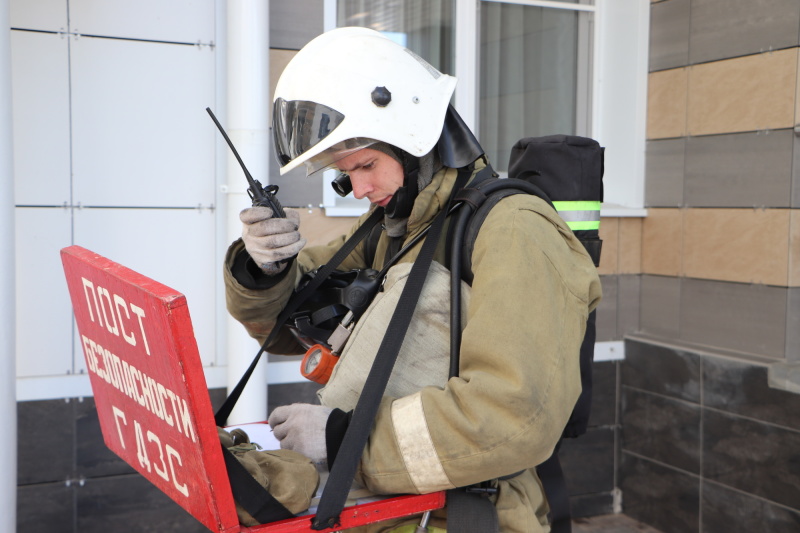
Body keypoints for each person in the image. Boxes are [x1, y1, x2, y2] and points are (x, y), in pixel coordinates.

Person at [223, 26, 602, 533]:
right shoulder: (398, 226)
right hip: (390, 504)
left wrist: (342, 439)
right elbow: (291, 322)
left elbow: (513, 418)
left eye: (365, 165)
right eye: (343, 173)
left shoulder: (514, 231)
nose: (357, 189)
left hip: (468, 515)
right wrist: (264, 267)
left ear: (415, 139)